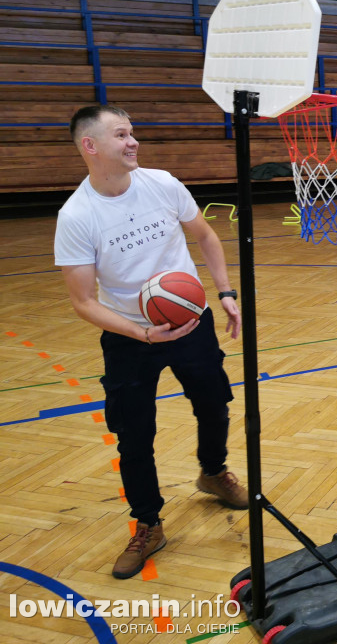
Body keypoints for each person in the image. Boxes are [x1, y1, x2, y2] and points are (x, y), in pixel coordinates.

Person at [54, 105, 246, 580]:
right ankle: (148, 523)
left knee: (214, 404)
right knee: (134, 436)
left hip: (191, 322)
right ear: (91, 146)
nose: (133, 141)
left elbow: (205, 236)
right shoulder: (76, 216)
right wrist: (142, 332)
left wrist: (224, 292)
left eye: (133, 132)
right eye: (122, 135)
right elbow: (82, 301)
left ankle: (213, 471)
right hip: (129, 337)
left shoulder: (161, 183)